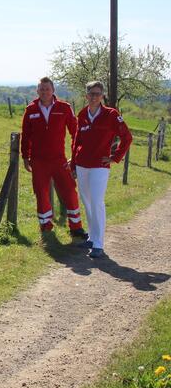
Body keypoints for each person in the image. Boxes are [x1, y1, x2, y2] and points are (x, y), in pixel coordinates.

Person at [71, 80, 133, 258]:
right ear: (86, 95)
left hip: (100, 166)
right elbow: (77, 141)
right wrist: (73, 163)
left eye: (98, 93)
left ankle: (98, 243)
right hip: (82, 164)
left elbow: (127, 137)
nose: (94, 96)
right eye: (91, 93)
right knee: (87, 202)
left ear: (102, 96)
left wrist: (115, 157)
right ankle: (91, 237)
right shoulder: (82, 114)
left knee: (97, 201)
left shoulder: (111, 115)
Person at [21, 77, 88, 239]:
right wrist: (25, 157)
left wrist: (75, 156)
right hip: (38, 161)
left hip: (59, 160)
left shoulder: (64, 108)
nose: (44, 92)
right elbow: (26, 136)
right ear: (37, 91)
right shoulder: (30, 110)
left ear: (53, 91)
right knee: (41, 193)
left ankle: (76, 227)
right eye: (42, 89)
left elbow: (76, 133)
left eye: (47, 89)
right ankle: (46, 226)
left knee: (70, 191)